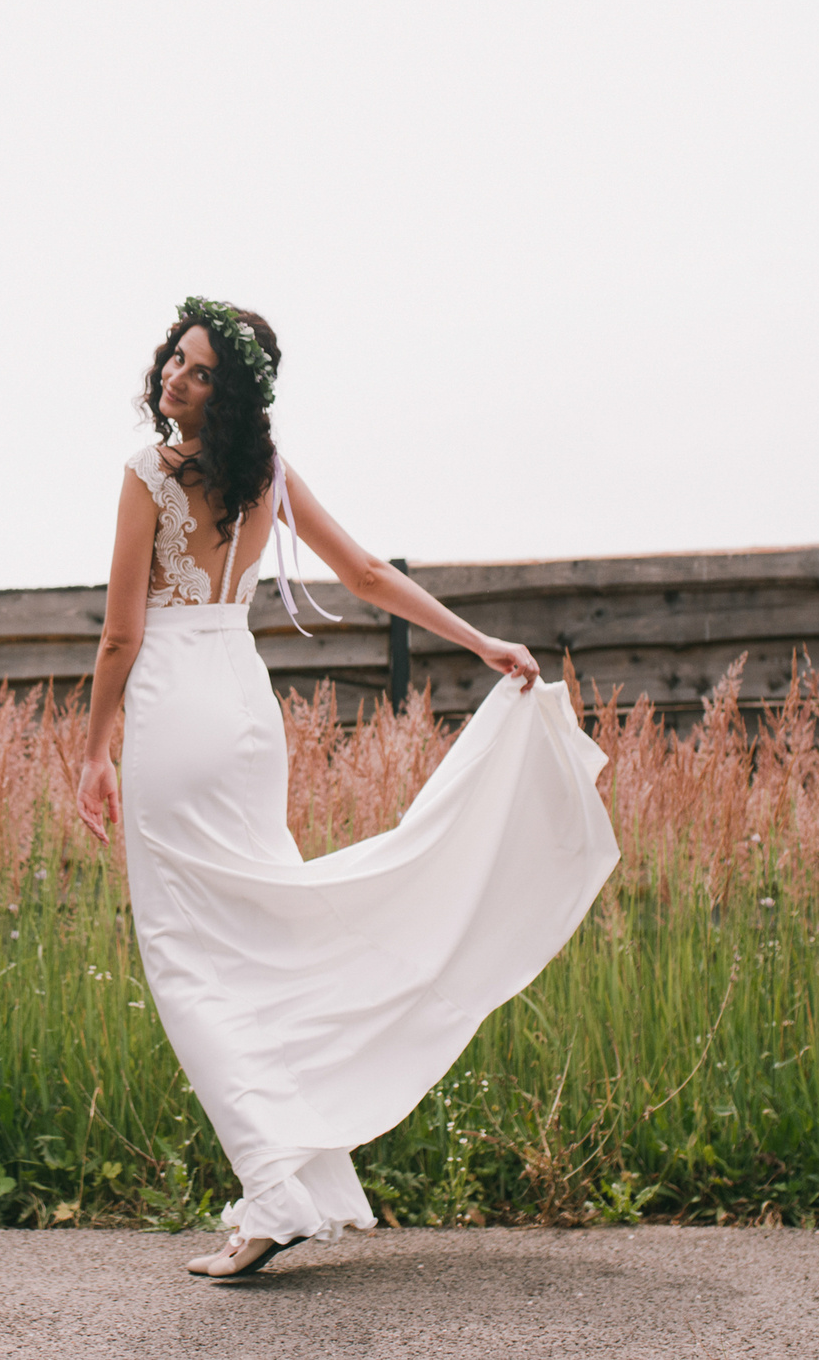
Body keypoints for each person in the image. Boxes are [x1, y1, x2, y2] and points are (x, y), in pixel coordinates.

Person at [75, 297, 619, 1280]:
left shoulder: (148, 472)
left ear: (227, 391)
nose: (172, 378)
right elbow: (366, 573)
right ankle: (308, 1186)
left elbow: (121, 632)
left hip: (176, 712)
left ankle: (277, 1192)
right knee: (267, 944)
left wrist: (90, 746)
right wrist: (477, 638)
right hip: (242, 708)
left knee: (190, 960)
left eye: (196, 371)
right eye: (172, 361)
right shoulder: (265, 476)